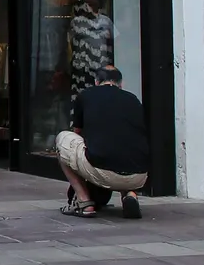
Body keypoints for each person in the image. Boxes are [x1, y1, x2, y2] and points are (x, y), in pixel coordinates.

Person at [58, 65, 148, 219]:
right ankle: (130, 193)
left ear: (96, 81)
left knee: (64, 139)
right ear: (121, 84)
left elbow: (77, 134)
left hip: (103, 170)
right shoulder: (133, 99)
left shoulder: (86, 95)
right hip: (139, 176)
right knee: (125, 142)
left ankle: (83, 202)